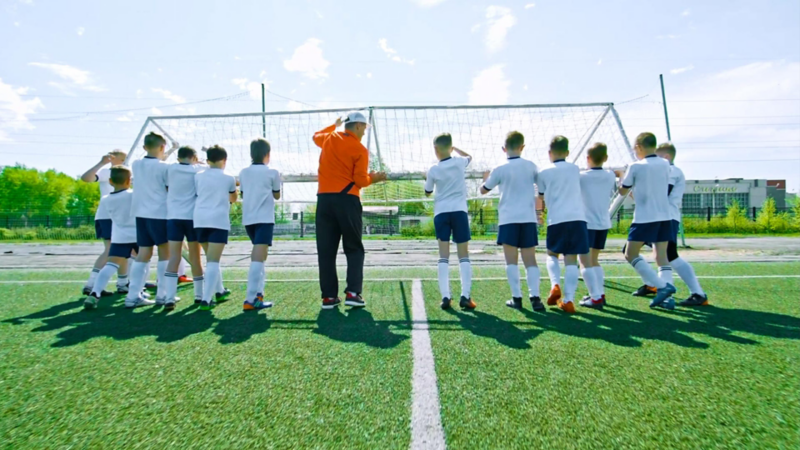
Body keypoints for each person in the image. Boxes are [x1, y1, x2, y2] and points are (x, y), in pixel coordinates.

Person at [312, 112, 387, 310]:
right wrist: (375, 178)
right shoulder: (360, 149)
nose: (364, 132)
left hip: (324, 201)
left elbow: (315, 136)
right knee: (353, 248)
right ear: (358, 127)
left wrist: (333, 125)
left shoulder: (329, 138)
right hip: (347, 200)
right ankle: (353, 293)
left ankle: (328, 297)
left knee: (326, 251)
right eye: (364, 128)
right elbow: (360, 180)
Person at [631, 143, 709, 306]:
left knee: (667, 256)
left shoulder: (671, 171)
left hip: (666, 218)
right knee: (654, 254)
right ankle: (654, 285)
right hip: (654, 217)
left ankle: (695, 293)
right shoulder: (664, 170)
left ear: (666, 157)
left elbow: (659, 194)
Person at [480, 131, 544, 311]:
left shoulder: (499, 168)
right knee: (530, 260)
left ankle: (517, 298)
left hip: (508, 219)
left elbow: (483, 190)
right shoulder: (531, 166)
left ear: (503, 148)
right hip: (528, 218)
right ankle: (535, 298)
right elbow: (541, 190)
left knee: (511, 261)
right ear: (522, 147)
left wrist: (485, 179)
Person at [618, 132, 677, 310]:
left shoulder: (636, 166)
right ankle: (667, 299)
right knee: (661, 257)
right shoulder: (666, 164)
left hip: (645, 218)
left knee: (630, 254)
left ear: (639, 147)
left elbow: (623, 191)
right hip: (664, 216)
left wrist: (621, 175)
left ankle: (662, 287)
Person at [537, 136, 590, 314]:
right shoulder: (575, 169)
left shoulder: (543, 172)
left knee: (552, 254)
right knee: (571, 260)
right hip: (577, 218)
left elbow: (542, 196)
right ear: (567, 152)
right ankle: (568, 300)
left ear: (549, 153)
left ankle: (555, 285)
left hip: (556, 219)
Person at [424, 133, 476, 311]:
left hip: (442, 214)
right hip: (459, 212)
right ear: (451, 148)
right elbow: (469, 157)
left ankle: (445, 296)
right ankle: (465, 296)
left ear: (435, 149)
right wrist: (456, 150)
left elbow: (428, 191)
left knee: (443, 256)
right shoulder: (459, 162)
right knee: (463, 255)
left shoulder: (433, 169)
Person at [124, 132, 172, 308]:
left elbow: (152, 164)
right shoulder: (165, 167)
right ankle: (163, 294)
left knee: (143, 254)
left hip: (141, 214)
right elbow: (169, 187)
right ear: (162, 147)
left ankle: (132, 295)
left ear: (144, 147)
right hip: (159, 213)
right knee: (165, 253)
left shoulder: (136, 164)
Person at [84, 166, 138, 309]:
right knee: (141, 263)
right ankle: (137, 293)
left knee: (110, 265)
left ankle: (95, 292)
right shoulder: (134, 195)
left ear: (110, 181)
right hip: (136, 235)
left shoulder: (106, 199)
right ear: (129, 181)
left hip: (119, 236)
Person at [239, 138, 281, 311]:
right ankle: (250, 299)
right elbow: (277, 195)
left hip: (249, 219)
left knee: (261, 256)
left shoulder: (243, 172)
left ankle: (258, 294)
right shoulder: (272, 172)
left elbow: (242, 194)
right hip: (264, 219)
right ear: (267, 154)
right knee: (258, 256)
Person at [193, 145, 237, 311]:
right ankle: (206, 298)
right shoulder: (228, 177)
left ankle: (219, 290)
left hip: (199, 219)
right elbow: (233, 199)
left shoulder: (198, 176)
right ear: (224, 160)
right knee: (213, 260)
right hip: (218, 220)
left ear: (208, 160)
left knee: (210, 257)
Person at [80, 150, 130, 296]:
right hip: (107, 215)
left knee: (124, 251)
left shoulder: (127, 172)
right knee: (110, 250)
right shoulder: (105, 172)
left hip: (120, 216)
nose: (124, 161)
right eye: (121, 159)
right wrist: (102, 163)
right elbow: (86, 178)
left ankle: (122, 283)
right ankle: (91, 284)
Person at [162, 146, 206, 311]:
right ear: (194, 156)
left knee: (174, 257)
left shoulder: (170, 169)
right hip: (192, 218)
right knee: (196, 258)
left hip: (173, 217)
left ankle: (169, 298)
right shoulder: (199, 169)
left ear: (178, 157)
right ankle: (199, 296)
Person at [578, 143, 618, 309]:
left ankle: (595, 298)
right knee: (594, 260)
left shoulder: (582, 176)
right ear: (606, 158)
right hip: (603, 223)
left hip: (587, 223)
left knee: (584, 262)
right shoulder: (609, 175)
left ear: (587, 158)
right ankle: (599, 293)